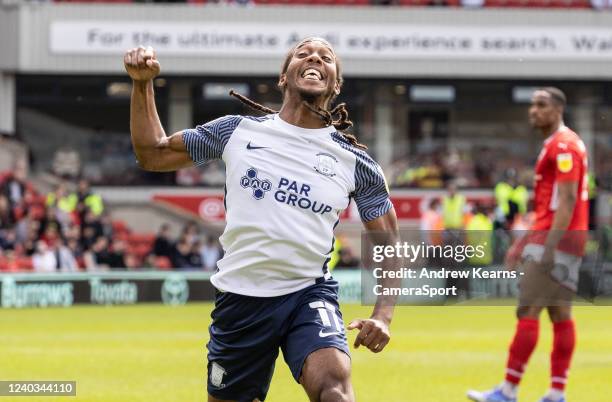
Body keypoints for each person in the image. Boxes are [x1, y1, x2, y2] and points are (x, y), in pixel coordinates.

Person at [125, 37, 399, 402]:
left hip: (308, 293)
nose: (315, 57)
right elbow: (153, 154)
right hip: (241, 300)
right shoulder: (236, 132)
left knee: (334, 388)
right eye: (303, 53)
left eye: (326, 57)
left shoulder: (357, 163)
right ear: (283, 77)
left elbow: (389, 244)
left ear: (335, 85)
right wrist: (142, 84)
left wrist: (383, 315)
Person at [468, 88, 589, 402]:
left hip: (556, 240)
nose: (533, 110)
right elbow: (552, 204)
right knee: (560, 314)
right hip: (562, 238)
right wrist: (523, 242)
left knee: (528, 310)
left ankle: (508, 391)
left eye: (541, 105)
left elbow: (567, 201)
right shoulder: (560, 144)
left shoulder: (563, 146)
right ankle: (556, 392)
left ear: (558, 109)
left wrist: (547, 248)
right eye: (532, 105)